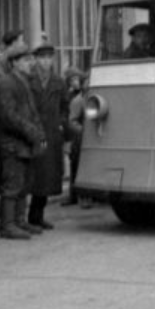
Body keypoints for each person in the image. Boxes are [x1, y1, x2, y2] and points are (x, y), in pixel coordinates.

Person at [0, 36, 47, 239]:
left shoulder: (22, 82)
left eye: (30, 60)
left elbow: (31, 112)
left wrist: (37, 134)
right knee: (12, 186)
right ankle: (8, 225)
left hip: (23, 142)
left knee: (23, 185)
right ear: (14, 63)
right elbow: (9, 116)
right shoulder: (7, 83)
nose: (30, 64)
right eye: (25, 61)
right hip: (13, 143)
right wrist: (32, 133)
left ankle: (19, 221)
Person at [26, 43, 68, 230]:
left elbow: (65, 107)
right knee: (33, 175)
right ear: (35, 60)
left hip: (51, 132)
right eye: (42, 58)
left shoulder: (58, 82)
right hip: (34, 131)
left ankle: (38, 215)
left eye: (49, 58)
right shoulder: (28, 80)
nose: (46, 62)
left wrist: (60, 123)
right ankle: (27, 216)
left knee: (47, 176)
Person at [61, 68, 89, 207]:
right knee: (77, 167)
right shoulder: (78, 100)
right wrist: (83, 131)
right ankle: (77, 196)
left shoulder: (87, 97)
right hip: (79, 139)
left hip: (89, 139)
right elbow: (71, 121)